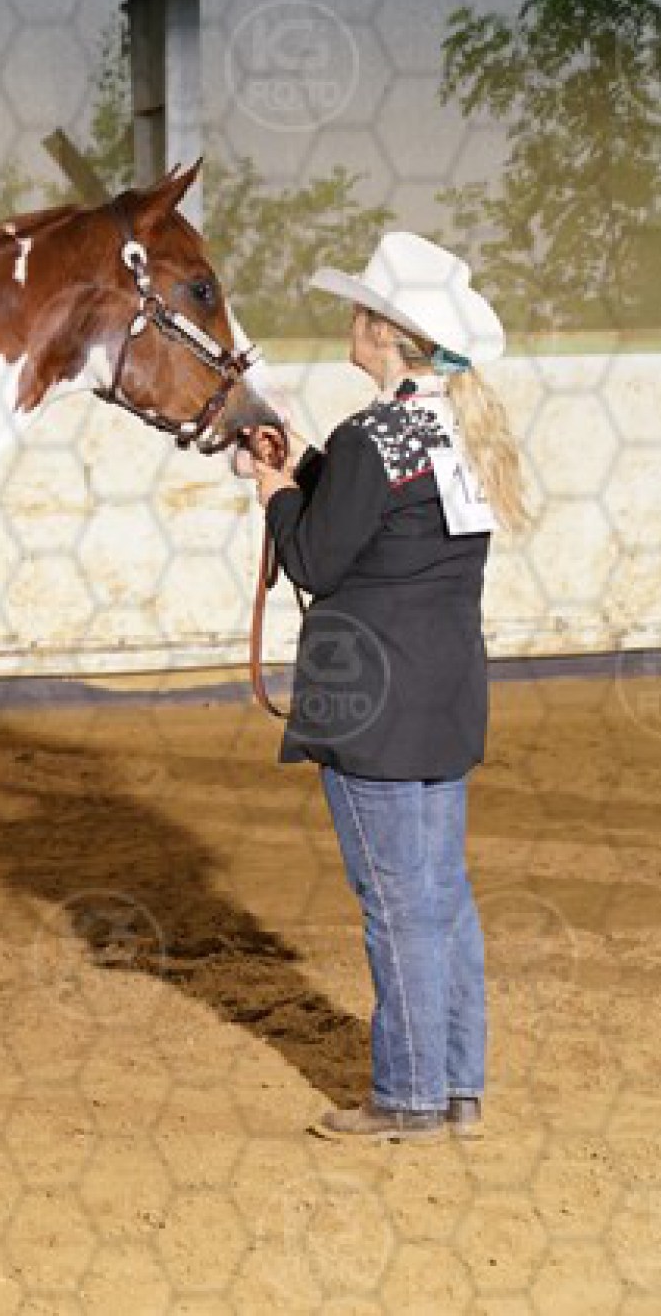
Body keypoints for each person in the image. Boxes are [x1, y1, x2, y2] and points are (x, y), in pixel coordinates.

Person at [241, 232, 533, 1142]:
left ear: (384, 332)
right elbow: (386, 518)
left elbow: (317, 558)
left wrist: (275, 493)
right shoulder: (458, 429)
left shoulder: (372, 437)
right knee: (441, 894)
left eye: (361, 310)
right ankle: (456, 1086)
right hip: (443, 694)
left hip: (373, 704)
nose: (351, 320)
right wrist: (305, 465)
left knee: (396, 903)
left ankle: (407, 1096)